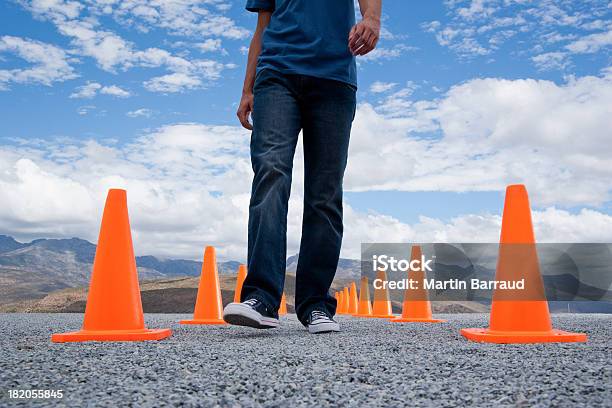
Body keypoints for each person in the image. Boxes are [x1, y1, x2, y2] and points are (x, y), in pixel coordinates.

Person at [223, 0, 381, 334]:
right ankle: (262, 299)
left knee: (324, 192)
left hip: (334, 79)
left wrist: (372, 18)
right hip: (277, 75)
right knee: (271, 173)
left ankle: (315, 304)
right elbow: (261, 28)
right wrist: (247, 88)